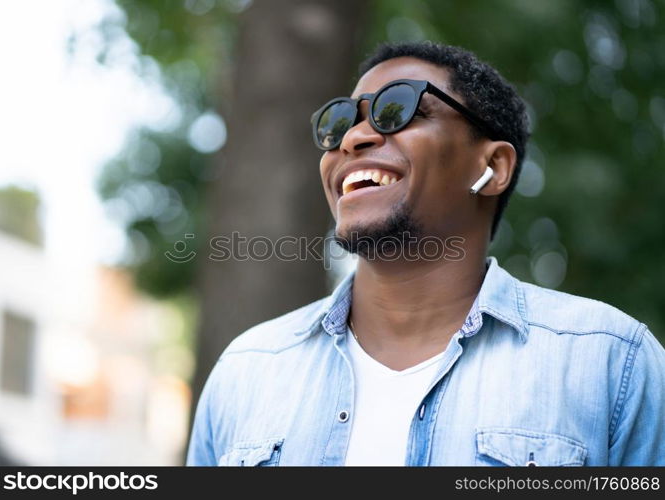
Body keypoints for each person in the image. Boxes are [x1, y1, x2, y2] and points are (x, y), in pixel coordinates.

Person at [186, 41, 665, 466]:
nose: (353, 138)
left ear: (492, 166)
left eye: (397, 109)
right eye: (338, 125)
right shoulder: (246, 371)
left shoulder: (610, 365)